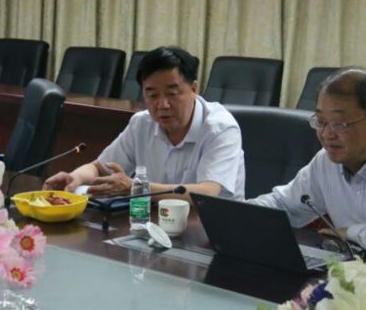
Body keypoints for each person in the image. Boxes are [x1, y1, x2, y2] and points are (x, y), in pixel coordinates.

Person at [250, 67, 366, 266]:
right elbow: (283, 205)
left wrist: (350, 232)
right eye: (321, 121)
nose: (327, 134)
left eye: (340, 123)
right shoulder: (326, 161)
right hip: (354, 273)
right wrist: (236, 214)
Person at [44, 46, 245, 201]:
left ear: (194, 89)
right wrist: (75, 178)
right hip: (157, 222)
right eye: (153, 95)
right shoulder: (141, 123)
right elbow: (99, 168)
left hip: (213, 226)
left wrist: (137, 188)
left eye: (172, 93)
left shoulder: (220, 128)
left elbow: (207, 193)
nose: (163, 105)